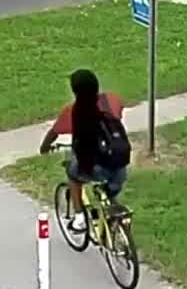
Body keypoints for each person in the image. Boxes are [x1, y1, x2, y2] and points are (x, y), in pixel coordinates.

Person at [38, 68, 131, 232]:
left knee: (73, 176)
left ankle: (80, 218)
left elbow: (53, 134)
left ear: (75, 91)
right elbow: (118, 112)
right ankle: (110, 204)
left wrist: (44, 148)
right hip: (120, 166)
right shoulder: (112, 100)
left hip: (96, 168)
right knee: (111, 187)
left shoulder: (73, 112)